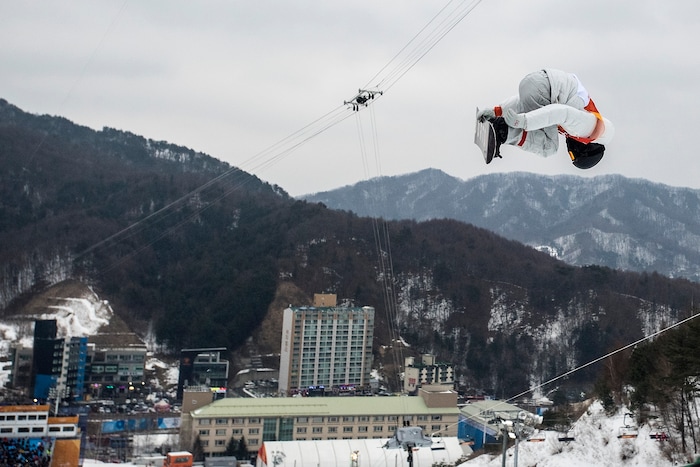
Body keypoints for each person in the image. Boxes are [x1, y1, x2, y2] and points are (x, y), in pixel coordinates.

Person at [477, 69, 614, 169]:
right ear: (585, 150)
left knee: (544, 124)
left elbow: (528, 99)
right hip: (546, 90)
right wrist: (525, 121)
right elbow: (560, 112)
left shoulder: (585, 116)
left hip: (535, 82)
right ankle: (503, 131)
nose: (569, 150)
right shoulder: (589, 130)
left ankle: (500, 127)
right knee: (550, 147)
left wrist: (497, 111)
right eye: (572, 154)